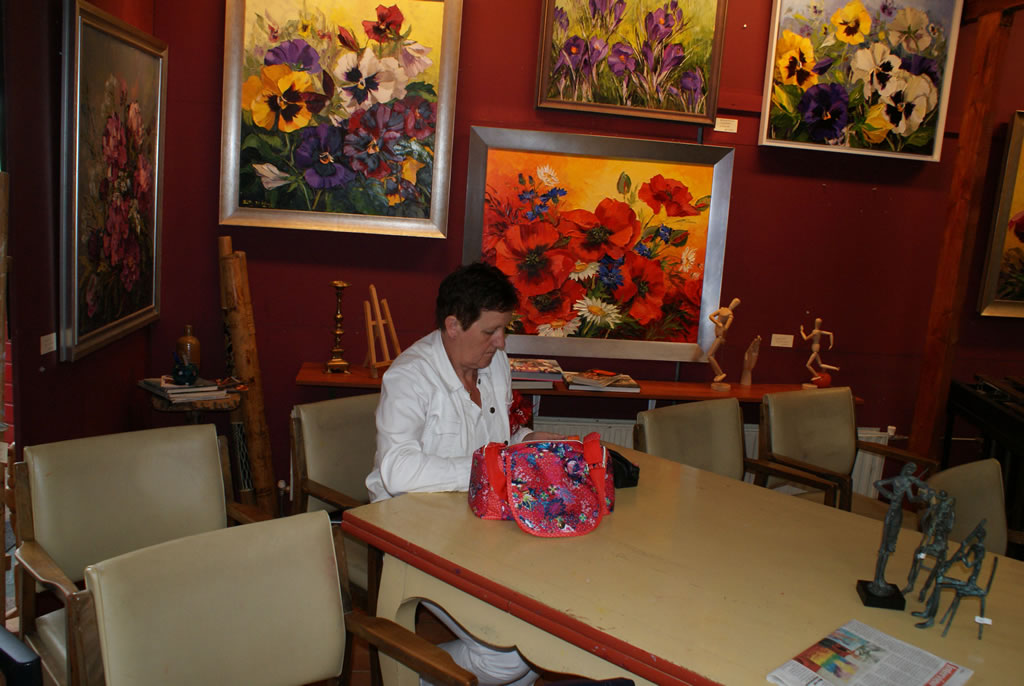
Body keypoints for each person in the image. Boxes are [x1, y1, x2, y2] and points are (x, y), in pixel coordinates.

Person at [367, 262, 560, 686]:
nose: (501, 341)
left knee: (546, 628)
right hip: (414, 532)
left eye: (503, 329)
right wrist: (491, 468)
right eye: (491, 331)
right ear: (453, 325)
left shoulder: (495, 363)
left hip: (480, 526)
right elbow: (396, 470)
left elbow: (496, 440)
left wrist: (529, 441)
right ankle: (406, 678)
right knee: (510, 657)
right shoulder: (409, 376)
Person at [706, 297, 740, 384]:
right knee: (710, 355)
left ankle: (720, 373)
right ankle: (719, 374)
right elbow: (725, 327)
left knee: (710, 355)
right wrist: (718, 323)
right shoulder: (726, 312)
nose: (733, 305)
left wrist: (718, 324)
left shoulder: (728, 314)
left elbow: (725, 328)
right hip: (719, 336)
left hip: (720, 337)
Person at [799, 317, 839, 382]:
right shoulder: (819, 331)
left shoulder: (815, 332)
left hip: (815, 349)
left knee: (808, 365)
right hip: (817, 348)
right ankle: (836, 368)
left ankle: (816, 376)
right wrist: (831, 344)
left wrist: (801, 331)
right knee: (820, 364)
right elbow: (830, 334)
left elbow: (805, 338)